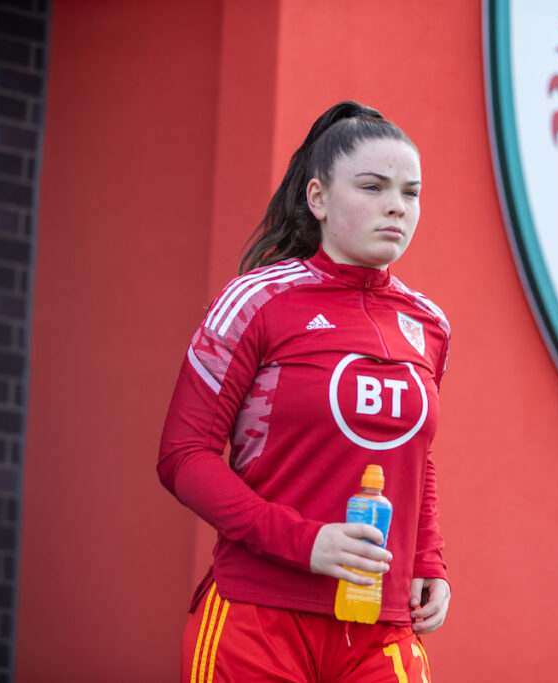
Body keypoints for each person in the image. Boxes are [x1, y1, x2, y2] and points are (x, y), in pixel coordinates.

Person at [158, 101, 451, 682]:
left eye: (411, 192)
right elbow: (182, 457)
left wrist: (429, 560)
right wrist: (307, 543)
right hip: (257, 617)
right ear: (317, 199)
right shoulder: (257, 301)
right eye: (373, 186)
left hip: (382, 625)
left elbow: (413, 457)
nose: (396, 205)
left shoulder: (430, 324)